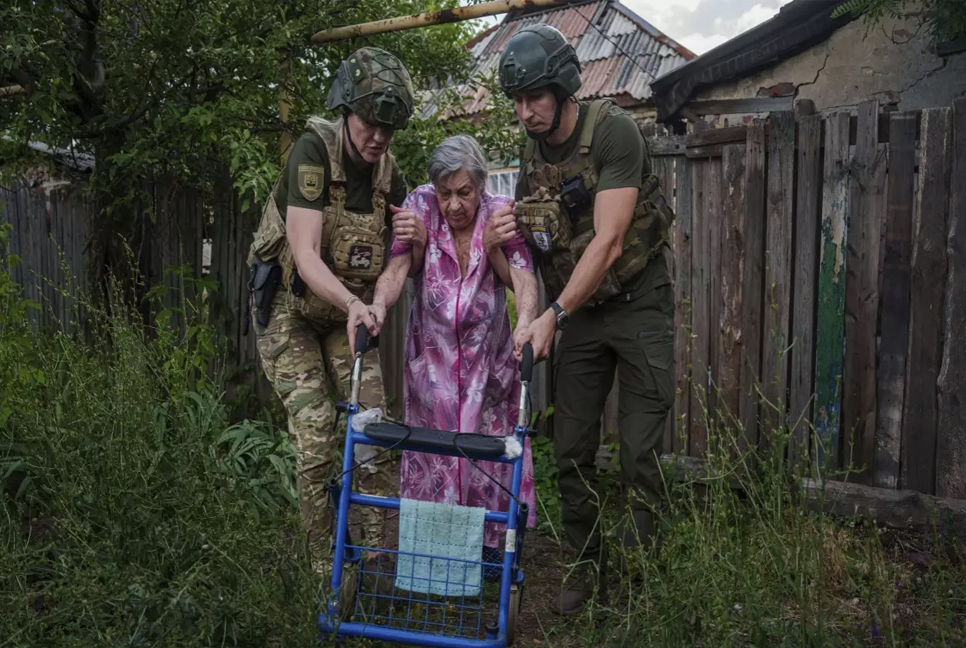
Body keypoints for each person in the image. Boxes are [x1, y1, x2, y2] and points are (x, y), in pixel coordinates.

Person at [495, 25, 677, 616]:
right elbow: (543, 243)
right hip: (580, 316)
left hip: (639, 304)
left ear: (564, 88)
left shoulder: (613, 132)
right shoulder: (529, 150)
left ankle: (639, 582)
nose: (524, 113)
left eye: (534, 99)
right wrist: (508, 237)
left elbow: (609, 240)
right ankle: (585, 568)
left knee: (638, 454)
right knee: (569, 447)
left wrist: (554, 314)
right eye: (517, 102)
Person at [246, 46, 414, 583]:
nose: (378, 136)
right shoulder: (312, 154)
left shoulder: (392, 177)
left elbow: (400, 256)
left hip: (351, 314)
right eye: (370, 122)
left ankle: (367, 567)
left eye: (389, 126)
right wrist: (354, 304)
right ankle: (325, 574)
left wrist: (380, 301)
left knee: (373, 434)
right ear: (346, 108)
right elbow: (306, 252)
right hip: (290, 310)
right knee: (318, 436)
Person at [367, 134, 539, 568]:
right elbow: (397, 268)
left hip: (489, 366)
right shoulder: (420, 205)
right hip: (432, 368)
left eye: (464, 192)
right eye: (445, 193)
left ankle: (490, 553)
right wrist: (376, 307)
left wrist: (524, 325)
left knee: (487, 458)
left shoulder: (500, 215)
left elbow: (524, 279)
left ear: (480, 186)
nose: (454, 204)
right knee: (433, 458)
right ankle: (434, 557)